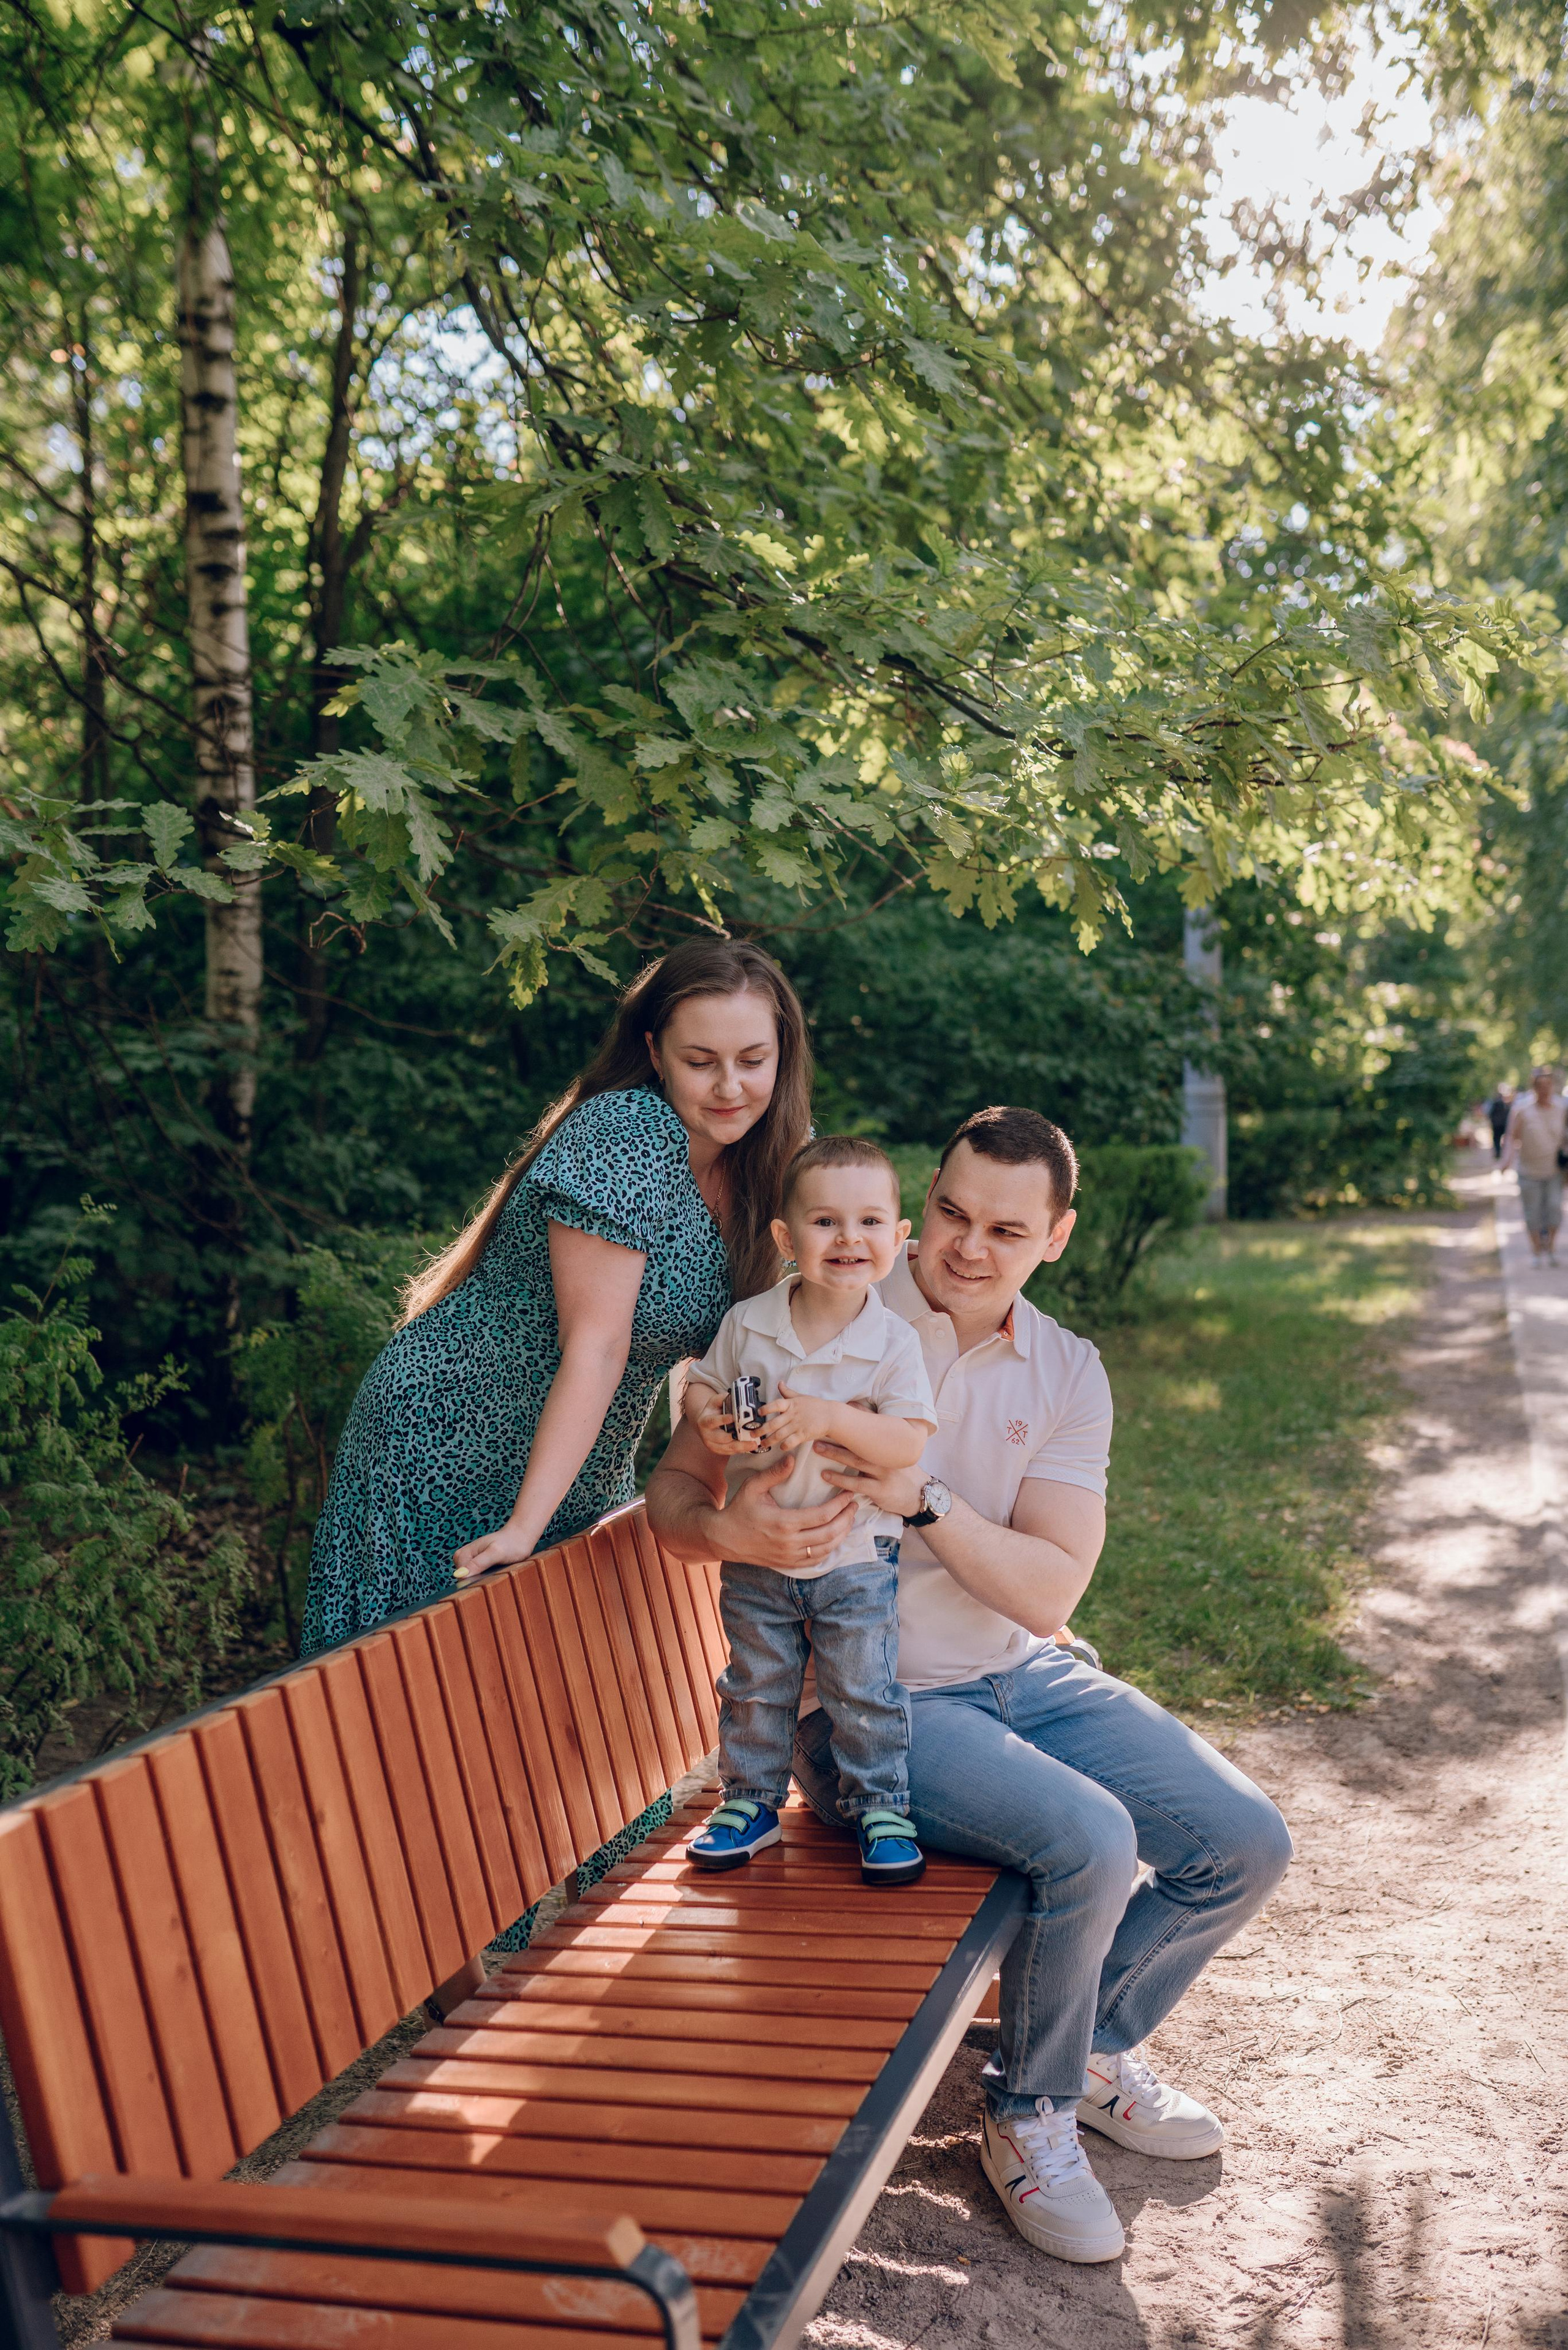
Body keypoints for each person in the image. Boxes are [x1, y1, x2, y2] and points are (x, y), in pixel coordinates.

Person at [647, 1104, 1293, 2269]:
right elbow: (674, 1499)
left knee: (1245, 1841)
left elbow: (1049, 1589)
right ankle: (1029, 2110)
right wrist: (731, 1527)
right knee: (1092, 1837)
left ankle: (1086, 2044)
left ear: (1056, 1237)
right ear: (918, 1204)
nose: (964, 1246)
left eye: (1005, 1227)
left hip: (1020, 1670)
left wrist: (924, 1499)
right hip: (863, 1713)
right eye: (948, 1212)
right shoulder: (819, 1307)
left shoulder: (1067, 1369)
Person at [303, 934, 812, 1995]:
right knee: (421, 1709)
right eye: (700, 1059)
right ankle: (445, 1985)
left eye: (752, 1059)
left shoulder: (763, 1163)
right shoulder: (624, 1130)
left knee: (539, 1713)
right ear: (652, 1051)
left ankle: (533, 1973)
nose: (730, 1085)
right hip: (446, 1434)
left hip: (569, 1462)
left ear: (782, 1054)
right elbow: (601, 1345)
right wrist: (532, 1528)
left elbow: (744, 1351)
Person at [682, 1137, 937, 1883]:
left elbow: (905, 1442)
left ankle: (881, 1806)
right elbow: (703, 1387)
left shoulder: (893, 1340)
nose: (849, 1239)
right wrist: (709, 1419)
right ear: (788, 1240)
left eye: (869, 1223)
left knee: (862, 1685)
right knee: (757, 1681)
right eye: (826, 1222)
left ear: (897, 1239)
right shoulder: (750, 1324)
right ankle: (750, 1802)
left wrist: (825, 1417)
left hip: (854, 1552)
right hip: (758, 1551)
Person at [1499, 1065, 1566, 1263]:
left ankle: (1551, 1249)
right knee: (1533, 1214)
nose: (1545, 1089)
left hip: (1554, 1170)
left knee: (1554, 1210)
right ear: (1534, 1087)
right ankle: (1536, 1251)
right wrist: (1506, 1160)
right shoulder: (1522, 1110)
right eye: (1540, 1085)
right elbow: (1512, 1137)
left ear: (1553, 1086)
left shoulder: (1563, 1107)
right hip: (1529, 1170)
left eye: (1548, 1085)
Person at [1487, 1084, 1513, 1162]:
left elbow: (1490, 1113)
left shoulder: (1498, 1103)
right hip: (1501, 1124)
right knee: (1499, 1139)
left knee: (1498, 1139)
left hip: (1498, 1124)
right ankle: (1500, 1153)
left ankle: (1500, 1153)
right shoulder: (1506, 1104)